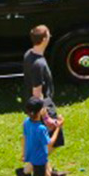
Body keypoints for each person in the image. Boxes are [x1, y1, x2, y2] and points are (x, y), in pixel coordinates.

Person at [22, 26, 65, 161]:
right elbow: (37, 93)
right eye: (48, 34)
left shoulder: (29, 54)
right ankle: (30, 168)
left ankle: (40, 168)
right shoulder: (38, 64)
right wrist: (46, 118)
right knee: (55, 140)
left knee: (39, 139)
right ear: (44, 39)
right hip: (42, 106)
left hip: (34, 105)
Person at [23, 97, 59, 176]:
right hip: (40, 161)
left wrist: (24, 154)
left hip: (34, 156)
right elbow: (50, 143)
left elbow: (24, 137)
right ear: (40, 111)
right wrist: (58, 128)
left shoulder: (26, 122)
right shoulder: (41, 128)